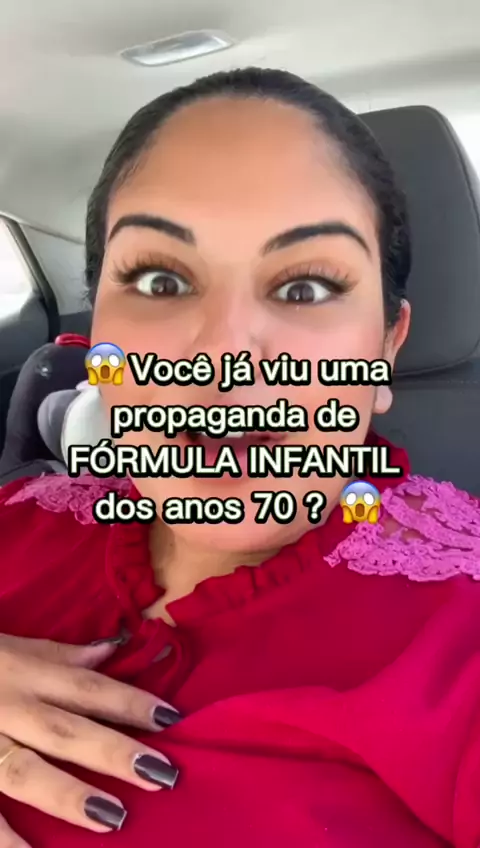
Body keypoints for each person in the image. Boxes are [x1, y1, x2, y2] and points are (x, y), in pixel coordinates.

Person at [0, 67, 478, 848]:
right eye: (160, 280)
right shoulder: (22, 519)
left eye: (307, 288)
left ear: (386, 346)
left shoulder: (459, 631)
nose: (223, 356)